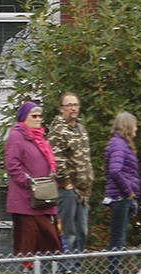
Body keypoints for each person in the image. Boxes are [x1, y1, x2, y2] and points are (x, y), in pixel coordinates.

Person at [3, 100, 61, 257]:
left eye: (40, 116)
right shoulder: (16, 136)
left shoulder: (40, 138)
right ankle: (26, 269)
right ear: (24, 117)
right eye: (33, 116)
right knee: (28, 238)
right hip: (25, 198)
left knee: (49, 235)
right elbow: (12, 164)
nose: (37, 119)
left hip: (43, 197)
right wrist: (29, 184)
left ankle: (48, 268)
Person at [47, 91, 93, 258]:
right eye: (69, 105)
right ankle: (67, 269)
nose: (73, 108)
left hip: (84, 191)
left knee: (82, 231)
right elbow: (56, 159)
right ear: (61, 109)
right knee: (69, 232)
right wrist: (67, 183)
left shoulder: (80, 128)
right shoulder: (58, 130)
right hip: (68, 191)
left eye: (75, 104)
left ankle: (78, 268)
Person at [104, 110, 140, 274]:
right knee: (118, 236)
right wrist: (129, 192)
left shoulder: (119, 144)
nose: (136, 130)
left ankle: (114, 270)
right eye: (135, 126)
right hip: (120, 196)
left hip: (120, 195)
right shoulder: (119, 145)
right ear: (128, 126)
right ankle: (113, 272)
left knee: (118, 235)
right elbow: (115, 170)